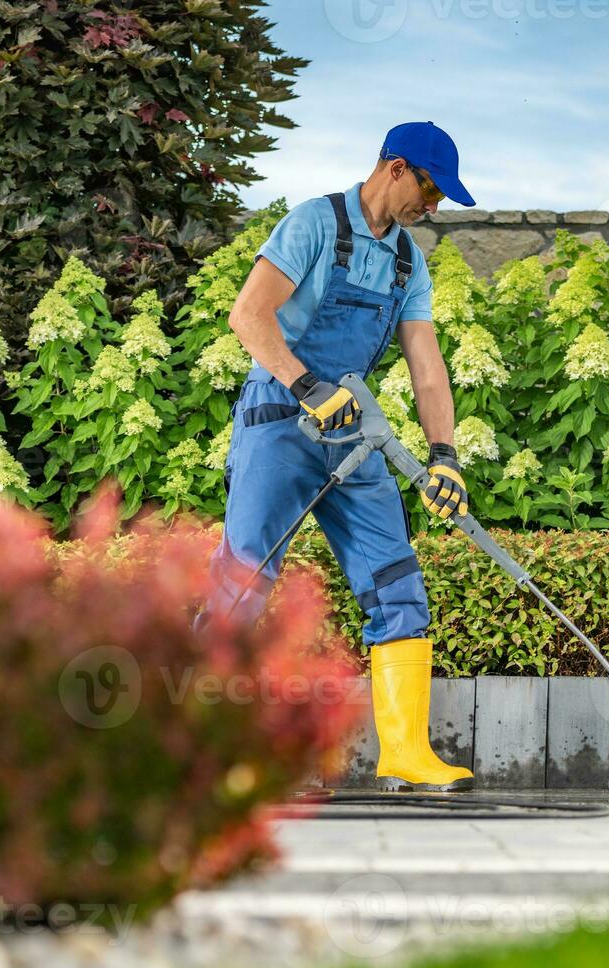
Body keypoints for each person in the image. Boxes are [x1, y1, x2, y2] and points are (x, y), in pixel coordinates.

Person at [200, 121, 478, 791]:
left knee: (398, 585)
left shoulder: (408, 262)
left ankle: (406, 753)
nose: (433, 209)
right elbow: (249, 316)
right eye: (431, 191)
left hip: (352, 430)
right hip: (280, 416)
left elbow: (428, 369)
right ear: (397, 169)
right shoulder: (313, 225)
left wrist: (444, 458)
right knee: (242, 580)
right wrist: (305, 386)